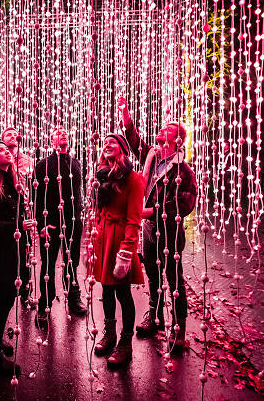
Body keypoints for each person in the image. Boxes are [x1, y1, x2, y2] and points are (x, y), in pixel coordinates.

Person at [119, 97, 198, 351]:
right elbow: (134, 143)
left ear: (177, 140)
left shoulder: (183, 170)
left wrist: (151, 211)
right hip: (150, 230)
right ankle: (155, 316)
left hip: (170, 231)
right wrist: (126, 116)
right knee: (153, 274)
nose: (162, 130)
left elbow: (186, 204)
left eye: (169, 129)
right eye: (163, 128)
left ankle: (179, 330)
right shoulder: (151, 156)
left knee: (174, 278)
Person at [0, 141, 37, 375]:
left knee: (6, 300)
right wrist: (17, 225)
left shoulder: (11, 180)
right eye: (1, 150)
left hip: (13, 248)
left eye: (8, 149)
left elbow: (17, 211)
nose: (8, 152)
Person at [90, 133, 145, 367]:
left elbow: (134, 220)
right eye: (105, 143)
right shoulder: (100, 176)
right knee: (106, 290)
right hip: (103, 238)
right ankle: (110, 333)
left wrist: (126, 253)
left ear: (122, 149)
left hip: (120, 240)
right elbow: (97, 208)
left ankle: (125, 343)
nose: (107, 145)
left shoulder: (134, 179)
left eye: (113, 142)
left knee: (123, 293)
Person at [34, 127, 87, 327]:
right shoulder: (43, 165)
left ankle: (73, 298)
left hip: (73, 221)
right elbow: (37, 197)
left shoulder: (76, 163)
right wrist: (42, 222)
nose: (62, 134)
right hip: (52, 223)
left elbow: (78, 191)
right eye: (56, 132)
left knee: (72, 262)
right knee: (47, 264)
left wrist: (79, 212)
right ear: (51, 139)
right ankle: (44, 304)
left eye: (64, 132)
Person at [0, 126, 35, 306]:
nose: (13, 136)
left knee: (25, 253)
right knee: (6, 253)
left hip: (23, 211)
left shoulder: (27, 161)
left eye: (15, 134)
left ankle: (25, 293)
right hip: (4, 212)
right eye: (8, 134)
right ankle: (6, 291)